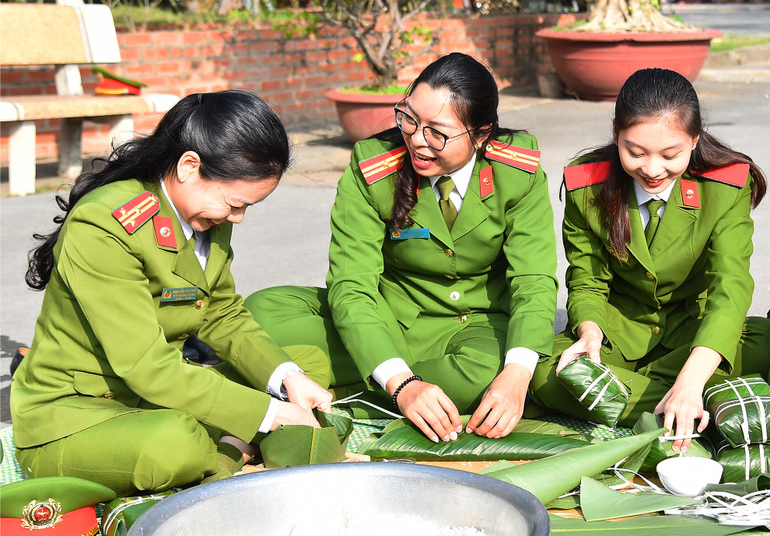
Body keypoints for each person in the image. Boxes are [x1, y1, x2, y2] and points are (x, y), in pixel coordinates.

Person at [11, 90, 333, 497]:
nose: (238, 217)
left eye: (248, 206)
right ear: (189, 166)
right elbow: (147, 365)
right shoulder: (105, 226)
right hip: (80, 413)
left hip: (160, 396)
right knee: (173, 445)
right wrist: (267, 415)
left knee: (303, 365)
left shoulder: (205, 213)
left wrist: (288, 379)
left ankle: (227, 445)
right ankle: (224, 456)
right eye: (235, 203)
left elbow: (222, 315)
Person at [245, 53, 558, 443]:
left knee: (499, 370)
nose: (417, 140)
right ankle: (397, 389)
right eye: (409, 118)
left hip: (475, 327)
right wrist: (402, 383)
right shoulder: (373, 167)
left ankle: (330, 387)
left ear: (480, 134)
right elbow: (351, 285)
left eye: (437, 132)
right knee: (260, 312)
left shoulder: (515, 170)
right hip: (387, 316)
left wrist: (515, 377)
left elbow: (534, 280)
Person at [529, 68, 770, 452]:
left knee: (764, 340)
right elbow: (587, 282)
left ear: (694, 139)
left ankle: (673, 398)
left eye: (670, 154)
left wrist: (691, 378)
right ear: (615, 133)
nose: (652, 169)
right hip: (619, 334)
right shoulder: (586, 185)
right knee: (542, 372)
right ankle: (710, 407)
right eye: (635, 152)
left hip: (697, 333)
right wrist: (590, 334)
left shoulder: (726, 185)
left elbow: (731, 286)